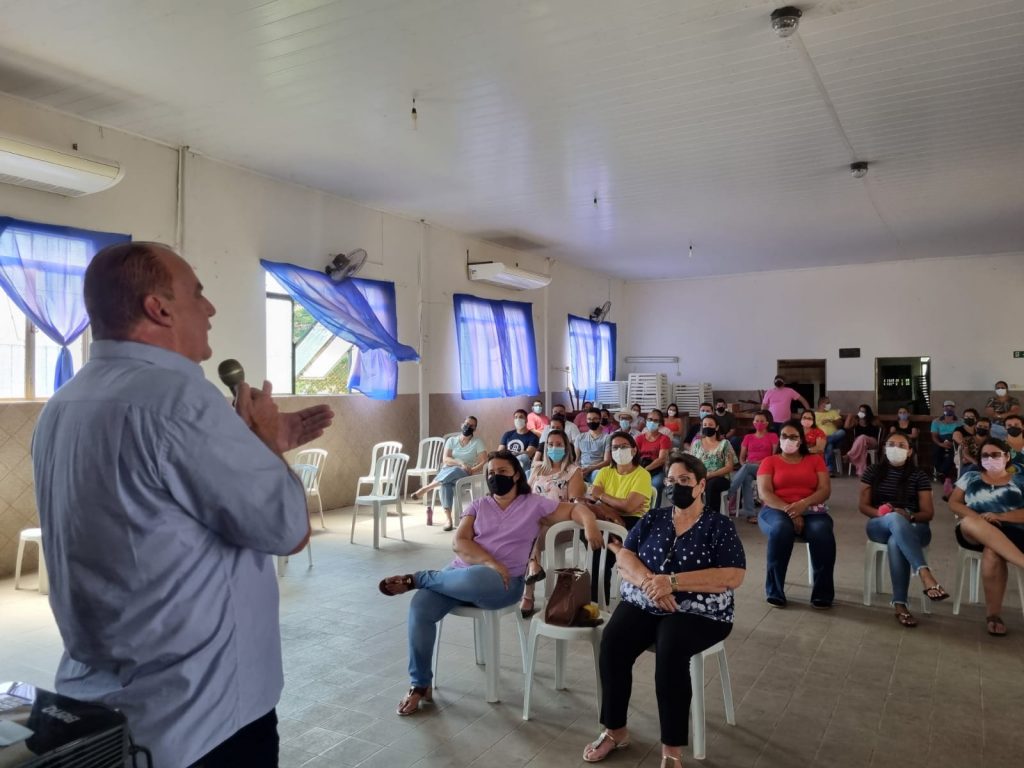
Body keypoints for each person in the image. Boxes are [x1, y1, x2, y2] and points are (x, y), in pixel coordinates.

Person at [31, 242, 335, 768]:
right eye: (198, 293)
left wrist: (252, 448)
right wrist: (262, 444)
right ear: (160, 308)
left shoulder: (65, 403)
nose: (210, 309)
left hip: (101, 704)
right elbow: (287, 529)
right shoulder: (178, 399)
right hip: (203, 717)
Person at [380, 450, 603, 714]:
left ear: (516, 475)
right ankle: (420, 684)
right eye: (491, 473)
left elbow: (576, 508)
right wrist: (490, 561)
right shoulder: (478, 505)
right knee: (420, 606)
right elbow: (459, 542)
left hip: (504, 583)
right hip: (461, 575)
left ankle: (420, 578)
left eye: (502, 472)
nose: (495, 477)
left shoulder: (534, 504)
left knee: (476, 578)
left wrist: (590, 524)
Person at [582, 453, 745, 767]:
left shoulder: (718, 525)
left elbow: (733, 575)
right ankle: (614, 730)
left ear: (701, 485)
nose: (676, 486)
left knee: (671, 651)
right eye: (671, 481)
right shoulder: (654, 518)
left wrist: (672, 582)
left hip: (701, 611)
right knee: (613, 642)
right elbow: (626, 556)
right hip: (648, 599)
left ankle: (671, 748)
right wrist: (650, 584)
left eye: (684, 480)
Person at [859, 433, 948, 628]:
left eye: (901, 445)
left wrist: (909, 517)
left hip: (915, 526)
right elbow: (863, 506)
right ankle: (925, 574)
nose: (895, 448)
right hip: (879, 523)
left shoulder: (919, 475)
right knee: (893, 518)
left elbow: (928, 513)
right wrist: (885, 515)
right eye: (891, 444)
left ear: (909, 451)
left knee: (895, 541)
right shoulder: (873, 471)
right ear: (884, 448)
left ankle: (900, 604)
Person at [948, 438, 1024, 636]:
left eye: (995, 454)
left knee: (993, 551)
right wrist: (980, 519)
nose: (990, 459)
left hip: (1011, 531)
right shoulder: (970, 476)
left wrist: (999, 516)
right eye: (985, 455)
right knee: (967, 522)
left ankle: (994, 615)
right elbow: (954, 503)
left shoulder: (1020, 479)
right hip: (974, 532)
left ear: (1006, 456)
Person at [756, 419, 834, 608]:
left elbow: (825, 490)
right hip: (776, 510)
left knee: (822, 532)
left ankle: (822, 593)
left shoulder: (815, 460)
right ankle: (775, 590)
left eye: (793, 437)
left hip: (812, 510)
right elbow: (765, 493)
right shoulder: (769, 461)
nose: (788, 440)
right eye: (784, 436)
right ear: (779, 438)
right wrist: (791, 511)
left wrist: (803, 504)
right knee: (781, 529)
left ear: (801, 440)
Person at [519, 431, 586, 616]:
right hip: (536, 524)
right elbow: (525, 496)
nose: (554, 448)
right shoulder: (538, 468)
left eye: (558, 444)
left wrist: (547, 508)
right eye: (550, 444)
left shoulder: (573, 471)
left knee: (531, 527)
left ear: (566, 448)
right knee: (528, 526)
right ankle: (532, 574)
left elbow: (575, 504)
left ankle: (529, 589)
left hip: (561, 524)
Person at [412, 417, 487, 530]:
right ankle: (448, 519)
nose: (468, 426)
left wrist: (473, 470)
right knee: (445, 484)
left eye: (471, 425)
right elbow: (445, 459)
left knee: (456, 471)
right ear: (462, 424)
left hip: (465, 473)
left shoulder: (477, 442)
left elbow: (484, 461)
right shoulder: (451, 440)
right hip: (448, 470)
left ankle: (427, 488)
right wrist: (460, 462)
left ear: (475, 428)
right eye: (466, 424)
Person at [729, 410, 778, 523]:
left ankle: (730, 492)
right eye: (756, 420)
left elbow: (773, 456)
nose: (759, 423)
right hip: (749, 468)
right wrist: (744, 464)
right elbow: (741, 457)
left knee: (746, 468)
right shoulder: (748, 437)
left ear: (767, 423)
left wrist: (755, 463)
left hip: (766, 468)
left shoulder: (773, 436)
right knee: (746, 477)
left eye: (762, 421)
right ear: (753, 422)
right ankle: (750, 514)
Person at [687, 414, 737, 513]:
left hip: (720, 478)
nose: (707, 427)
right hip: (700, 477)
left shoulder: (725, 444)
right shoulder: (697, 444)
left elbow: (729, 467)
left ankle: (712, 517)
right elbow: (691, 463)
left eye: (710, 425)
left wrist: (710, 475)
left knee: (711, 485)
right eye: (705, 425)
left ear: (717, 427)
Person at [636, 409, 672, 506]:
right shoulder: (639, 438)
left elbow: (661, 459)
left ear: (660, 423)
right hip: (640, 467)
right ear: (646, 420)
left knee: (656, 485)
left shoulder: (664, 439)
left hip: (657, 469)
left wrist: (646, 469)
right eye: (650, 419)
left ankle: (655, 512)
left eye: (655, 421)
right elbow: (634, 456)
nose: (652, 422)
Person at [930, 400, 961, 493]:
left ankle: (942, 473)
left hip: (954, 441)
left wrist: (955, 442)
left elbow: (962, 433)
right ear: (943, 408)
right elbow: (934, 435)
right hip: (940, 440)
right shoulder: (936, 421)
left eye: (951, 407)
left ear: (954, 408)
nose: (949, 409)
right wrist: (940, 444)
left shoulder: (960, 421)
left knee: (955, 452)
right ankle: (942, 472)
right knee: (936, 450)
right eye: (946, 407)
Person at [575, 408, 612, 482]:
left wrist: (591, 468)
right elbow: (577, 459)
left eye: (595, 419)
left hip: (597, 470)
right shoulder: (580, 437)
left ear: (600, 419)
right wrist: (579, 469)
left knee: (597, 474)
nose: (592, 421)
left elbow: (607, 461)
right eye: (589, 419)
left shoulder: (607, 438)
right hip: (582, 470)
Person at [499, 409, 540, 474]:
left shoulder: (533, 437)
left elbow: (528, 453)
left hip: (522, 465)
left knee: (523, 457)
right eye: (516, 417)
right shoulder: (507, 434)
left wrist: (514, 454)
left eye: (521, 417)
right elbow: (500, 451)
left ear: (526, 420)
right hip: (507, 461)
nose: (518, 419)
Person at [844, 404, 879, 478]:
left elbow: (881, 429)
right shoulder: (856, 421)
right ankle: (861, 472)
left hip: (872, 441)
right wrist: (850, 416)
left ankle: (849, 455)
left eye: (863, 411)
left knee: (862, 437)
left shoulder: (872, 421)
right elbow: (846, 427)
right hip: (861, 443)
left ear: (867, 413)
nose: (861, 413)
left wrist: (876, 423)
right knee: (862, 446)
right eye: (860, 411)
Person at [816, 395, 844, 475]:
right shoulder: (814, 415)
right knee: (829, 445)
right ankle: (829, 469)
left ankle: (825, 441)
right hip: (820, 439)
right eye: (827, 403)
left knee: (842, 432)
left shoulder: (833, 412)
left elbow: (840, 425)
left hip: (835, 438)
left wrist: (831, 420)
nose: (829, 404)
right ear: (821, 404)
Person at [953, 411, 987, 477]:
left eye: (971, 417)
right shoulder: (960, 431)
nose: (969, 418)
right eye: (966, 417)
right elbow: (962, 444)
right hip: (965, 457)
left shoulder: (985, 435)